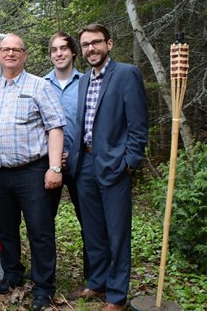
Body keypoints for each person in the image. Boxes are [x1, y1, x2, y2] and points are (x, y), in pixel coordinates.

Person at [0, 33, 65, 311]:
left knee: (40, 230)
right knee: (6, 229)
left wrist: (54, 167)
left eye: (17, 50)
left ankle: (43, 286)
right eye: (6, 49)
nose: (11, 54)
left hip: (32, 171)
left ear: (25, 55)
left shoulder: (40, 87)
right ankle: (12, 273)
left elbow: (55, 128)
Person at [65, 24, 148, 311]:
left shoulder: (126, 74)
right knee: (93, 230)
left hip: (114, 165)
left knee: (117, 233)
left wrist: (130, 163)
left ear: (109, 44)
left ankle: (117, 296)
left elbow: (138, 125)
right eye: (86, 44)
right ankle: (97, 282)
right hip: (85, 165)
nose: (91, 49)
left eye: (96, 42)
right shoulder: (85, 79)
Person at [43, 31, 88, 279]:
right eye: (54, 49)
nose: (58, 53)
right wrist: (54, 158)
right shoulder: (40, 84)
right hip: (51, 164)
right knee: (43, 221)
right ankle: (46, 273)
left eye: (63, 48)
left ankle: (93, 275)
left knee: (89, 220)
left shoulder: (87, 81)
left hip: (82, 163)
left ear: (73, 52)